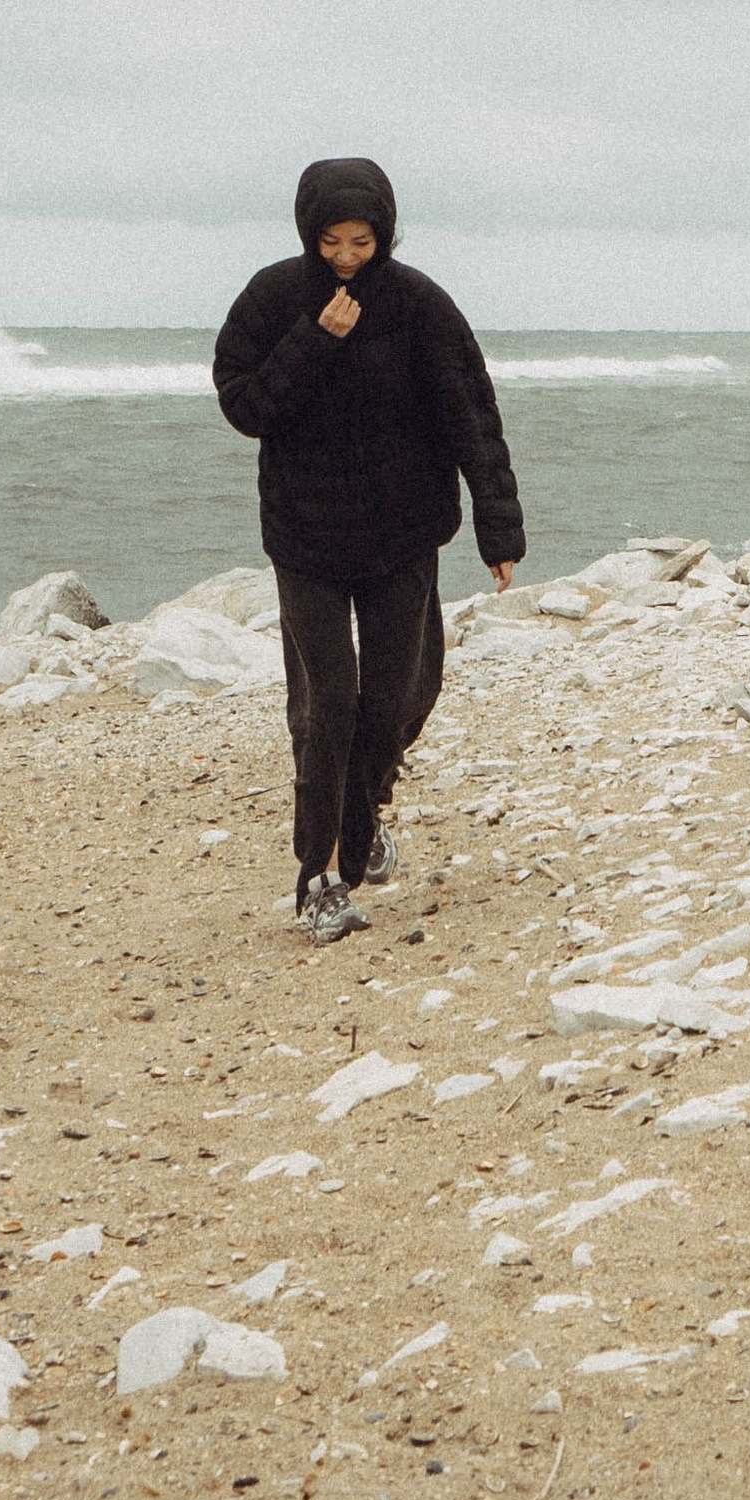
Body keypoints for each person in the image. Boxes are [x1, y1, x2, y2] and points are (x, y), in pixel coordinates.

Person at [213, 157, 524, 944]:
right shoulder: (272, 297)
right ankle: (322, 878)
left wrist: (498, 528)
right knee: (327, 707)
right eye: (331, 242)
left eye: (362, 241)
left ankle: (367, 807)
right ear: (307, 234)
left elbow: (471, 414)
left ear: (384, 231)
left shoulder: (419, 304)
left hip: (403, 534)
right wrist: (315, 339)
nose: (347, 257)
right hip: (306, 537)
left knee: (396, 701)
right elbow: (245, 406)